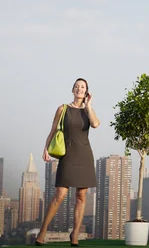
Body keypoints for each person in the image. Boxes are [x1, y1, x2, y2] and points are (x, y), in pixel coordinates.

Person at [36, 78, 100, 246]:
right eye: (77, 86)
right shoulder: (62, 109)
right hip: (68, 155)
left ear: (86, 92)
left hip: (84, 155)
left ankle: (75, 234)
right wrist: (45, 148)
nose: (79, 89)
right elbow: (53, 130)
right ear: (72, 90)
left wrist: (89, 105)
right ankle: (42, 232)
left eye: (83, 87)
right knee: (60, 195)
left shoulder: (87, 111)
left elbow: (95, 124)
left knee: (81, 196)